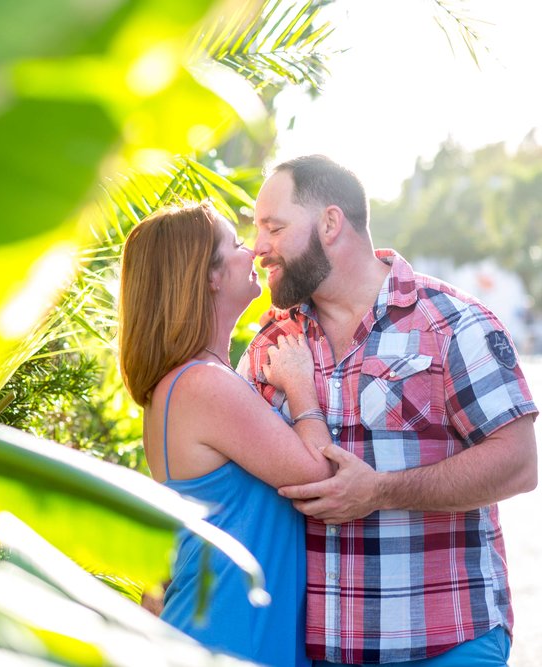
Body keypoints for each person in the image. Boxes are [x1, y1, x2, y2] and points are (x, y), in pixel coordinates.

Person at [241, 154, 539, 666]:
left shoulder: (455, 322)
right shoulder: (271, 341)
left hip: (449, 644)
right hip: (318, 652)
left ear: (331, 223)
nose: (258, 247)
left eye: (274, 227)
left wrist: (381, 492)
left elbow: (518, 463)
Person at [118, 202, 334, 666]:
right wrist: (301, 389)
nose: (253, 251)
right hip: (224, 640)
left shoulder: (197, 379)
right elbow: (320, 474)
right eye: (235, 244)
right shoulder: (201, 384)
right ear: (209, 276)